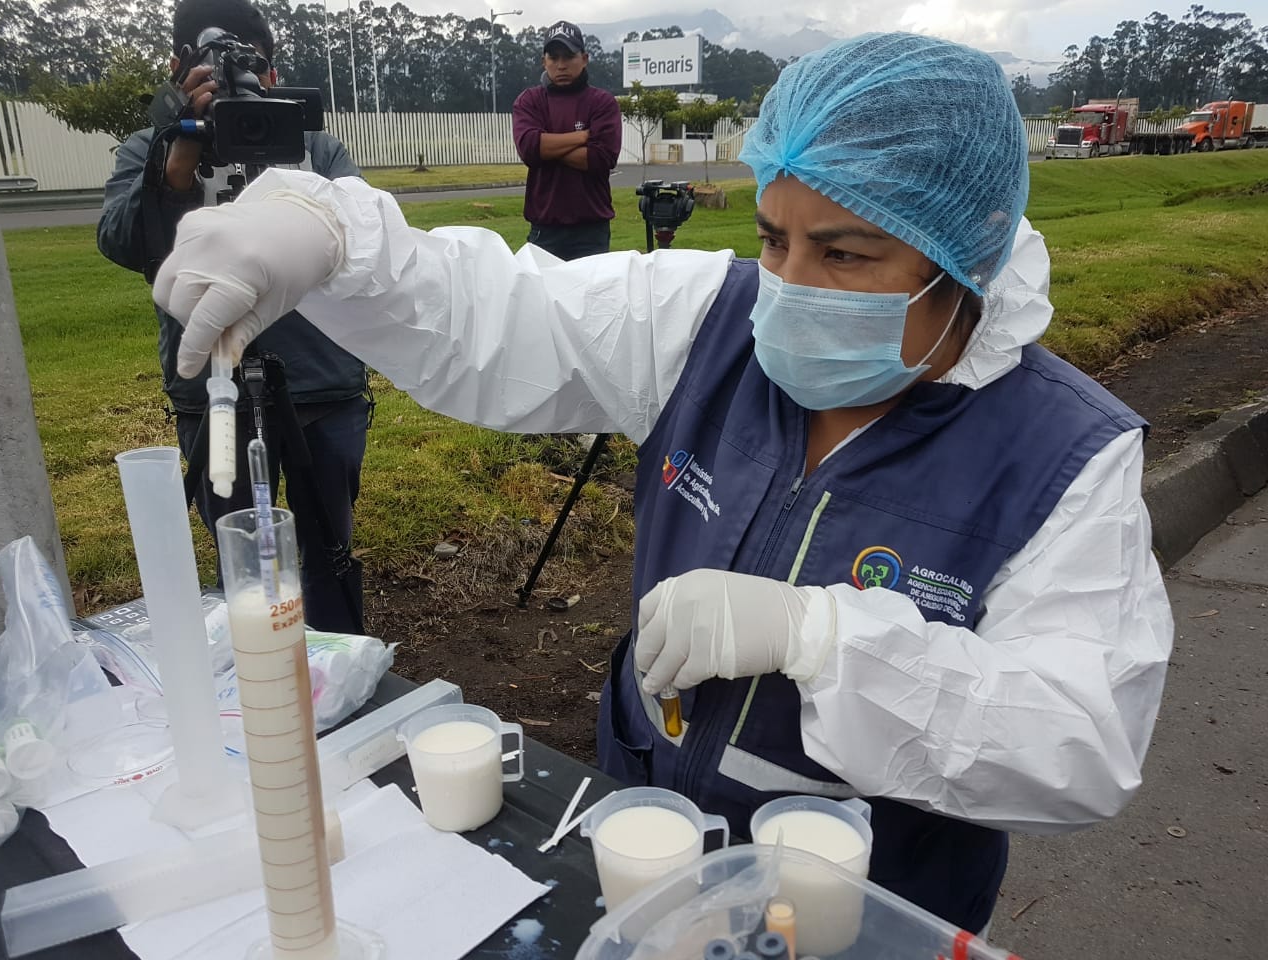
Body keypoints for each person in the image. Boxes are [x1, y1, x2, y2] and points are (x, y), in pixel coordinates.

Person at [150, 32, 1173, 934]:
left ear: (971, 251)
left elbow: (1077, 744)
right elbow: (502, 318)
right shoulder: (707, 323)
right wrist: (324, 232)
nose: (791, 285)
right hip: (646, 845)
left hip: (864, 911)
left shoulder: (1059, 454)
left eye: (844, 252)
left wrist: (824, 641)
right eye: (774, 238)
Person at [97, 0, 370, 634]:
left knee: (328, 544)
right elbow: (122, 243)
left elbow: (361, 238)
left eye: (255, 69)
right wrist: (175, 172)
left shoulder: (316, 149)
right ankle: (252, 666)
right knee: (241, 552)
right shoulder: (151, 149)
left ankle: (339, 666)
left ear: (273, 77)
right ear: (178, 70)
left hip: (322, 383)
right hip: (212, 390)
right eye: (211, 69)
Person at [511, 20, 622, 260]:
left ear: (584, 58)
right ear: (544, 61)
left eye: (569, 56)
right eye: (554, 57)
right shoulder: (529, 101)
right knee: (542, 297)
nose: (561, 65)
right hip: (545, 229)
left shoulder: (602, 102)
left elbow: (600, 158)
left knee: (591, 297)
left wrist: (547, 147)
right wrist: (582, 136)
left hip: (591, 231)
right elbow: (529, 149)